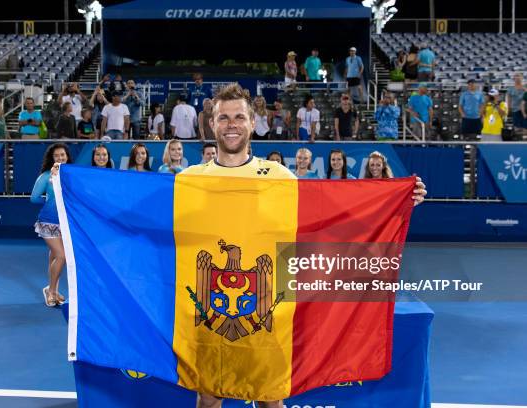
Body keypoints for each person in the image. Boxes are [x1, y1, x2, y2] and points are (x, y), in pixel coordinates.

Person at [180, 83, 427, 408]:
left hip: (269, 309)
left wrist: (395, 204)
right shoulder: (190, 180)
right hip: (212, 309)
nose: (231, 125)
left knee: (271, 400)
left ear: (253, 123)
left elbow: (329, 218)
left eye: (239, 117)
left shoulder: (279, 177)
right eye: (223, 118)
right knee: (208, 399)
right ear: (212, 123)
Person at [31, 143, 73, 307]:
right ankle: (52, 292)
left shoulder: (70, 174)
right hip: (48, 222)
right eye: (57, 155)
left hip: (65, 223)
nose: (60, 158)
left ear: (67, 156)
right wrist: (49, 201)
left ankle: (52, 288)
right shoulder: (46, 176)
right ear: (52, 158)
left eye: (63, 155)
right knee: (61, 256)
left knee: (56, 257)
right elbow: (34, 198)